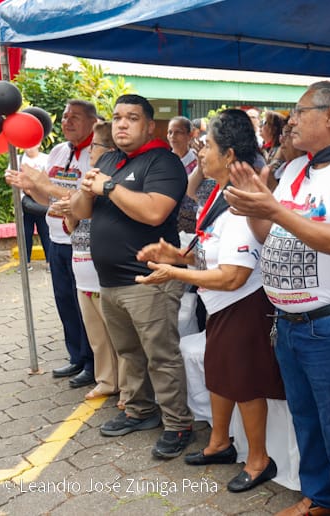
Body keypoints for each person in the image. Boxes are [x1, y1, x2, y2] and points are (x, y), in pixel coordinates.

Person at [223, 81, 330, 516]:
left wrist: (274, 210)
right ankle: (322, 500)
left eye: (299, 112)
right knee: (307, 421)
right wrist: (255, 211)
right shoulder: (298, 170)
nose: (290, 121)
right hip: (290, 320)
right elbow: (271, 233)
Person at [136, 109, 285, 492]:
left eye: (209, 146)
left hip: (243, 306)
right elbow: (210, 249)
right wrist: (176, 254)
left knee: (246, 386)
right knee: (220, 376)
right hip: (219, 305)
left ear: (231, 155)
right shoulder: (219, 193)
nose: (201, 152)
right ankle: (219, 442)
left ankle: (259, 460)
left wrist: (175, 273)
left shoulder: (241, 201)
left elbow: (234, 276)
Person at [71, 94, 193, 459]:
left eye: (132, 118)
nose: (122, 124)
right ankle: (140, 411)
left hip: (149, 280)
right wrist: (84, 187)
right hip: (109, 280)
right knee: (128, 353)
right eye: (118, 117)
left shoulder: (164, 161)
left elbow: (155, 213)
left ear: (149, 126)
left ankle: (178, 423)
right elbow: (82, 212)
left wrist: (108, 186)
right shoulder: (109, 159)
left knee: (161, 355)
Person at [5, 100, 97, 388]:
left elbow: (85, 201)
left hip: (83, 242)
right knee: (64, 301)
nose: (67, 122)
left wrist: (43, 187)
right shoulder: (58, 151)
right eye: (65, 116)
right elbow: (48, 198)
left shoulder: (96, 155)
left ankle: (94, 363)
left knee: (87, 307)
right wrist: (29, 186)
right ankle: (76, 356)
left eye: (75, 117)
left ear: (93, 122)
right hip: (56, 239)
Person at [59, 120, 128, 407]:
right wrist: (69, 211)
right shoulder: (87, 178)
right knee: (98, 337)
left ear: (110, 149)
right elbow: (72, 227)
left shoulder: (116, 182)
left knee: (121, 339)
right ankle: (106, 381)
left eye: (95, 147)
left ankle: (127, 389)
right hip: (81, 267)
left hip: (105, 273)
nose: (90, 152)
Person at [18, 144, 51, 272]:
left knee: (46, 232)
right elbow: (10, 177)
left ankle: (50, 262)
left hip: (42, 201)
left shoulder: (46, 159)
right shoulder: (19, 159)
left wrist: (33, 190)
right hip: (25, 203)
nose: (29, 147)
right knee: (25, 233)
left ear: (39, 144)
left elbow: (50, 180)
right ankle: (25, 263)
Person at [168, 116, 200, 234]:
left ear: (190, 135)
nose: (172, 136)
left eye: (178, 132)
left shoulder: (199, 162)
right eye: (170, 132)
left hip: (192, 222)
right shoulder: (163, 161)